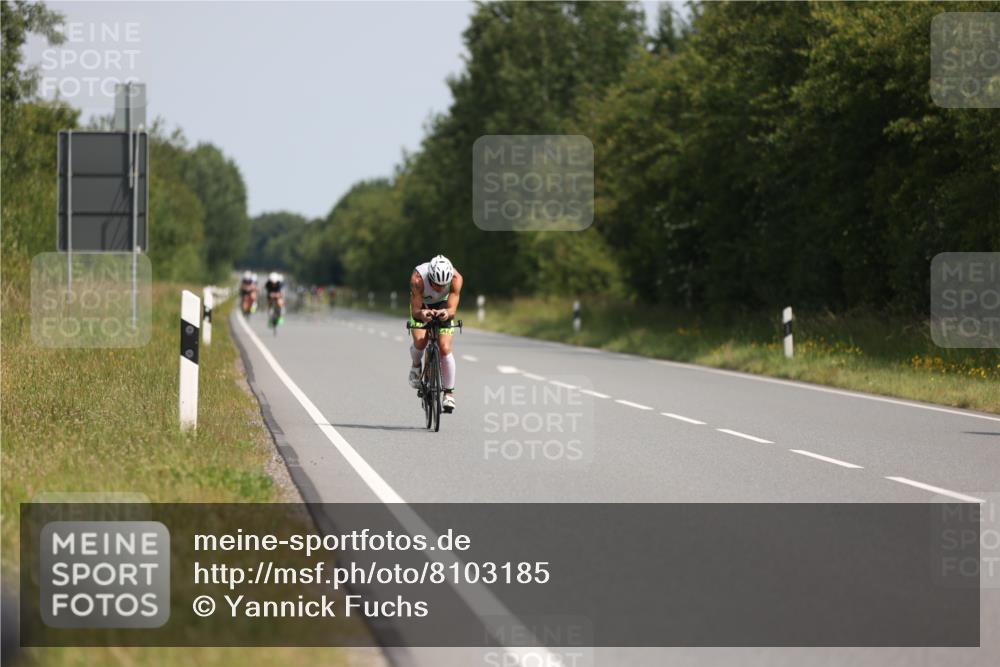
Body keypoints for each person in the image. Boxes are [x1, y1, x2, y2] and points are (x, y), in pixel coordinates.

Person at [408, 255, 463, 413]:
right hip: (422, 305)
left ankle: (449, 393)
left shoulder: (456, 279)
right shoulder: (418, 279)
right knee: (421, 342)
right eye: (435, 284)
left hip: (443, 305)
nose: (439, 288)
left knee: (445, 348)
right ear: (429, 277)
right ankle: (416, 366)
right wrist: (422, 314)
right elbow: (416, 310)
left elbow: (452, 309)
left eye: (442, 285)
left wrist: (446, 313)